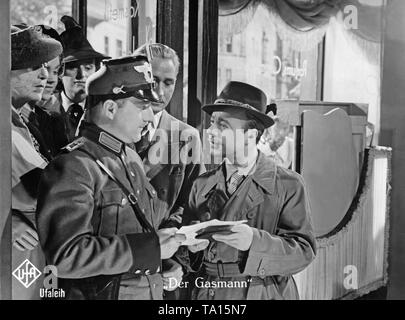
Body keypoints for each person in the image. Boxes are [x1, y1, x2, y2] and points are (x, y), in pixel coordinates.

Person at [36, 55, 185, 300]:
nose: (149, 118)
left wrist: (161, 259)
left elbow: (135, 232)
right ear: (111, 108)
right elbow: (65, 256)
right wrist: (149, 249)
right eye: (142, 107)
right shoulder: (74, 166)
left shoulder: (129, 157)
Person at [184, 81, 316, 300]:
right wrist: (191, 249)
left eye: (222, 125)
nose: (210, 131)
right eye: (212, 122)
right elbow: (186, 253)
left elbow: (304, 251)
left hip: (262, 292)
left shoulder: (288, 185)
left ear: (251, 134)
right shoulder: (202, 184)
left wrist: (254, 242)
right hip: (208, 293)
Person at [133, 43, 205, 297]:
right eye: (153, 81)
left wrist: (175, 257)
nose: (160, 92)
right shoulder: (112, 130)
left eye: (169, 82)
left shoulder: (187, 137)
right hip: (120, 261)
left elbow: (193, 204)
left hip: (167, 264)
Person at [10, 24, 63, 299]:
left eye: (48, 67)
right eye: (33, 66)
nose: (45, 75)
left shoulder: (20, 122)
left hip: (33, 268)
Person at [19, 25, 69, 159]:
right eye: (40, 67)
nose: (50, 78)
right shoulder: (13, 120)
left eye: (56, 71)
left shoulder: (53, 121)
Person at [58, 15, 110, 141]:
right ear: (59, 71)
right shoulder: (43, 110)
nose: (82, 75)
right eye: (73, 67)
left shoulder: (104, 110)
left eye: (88, 67)